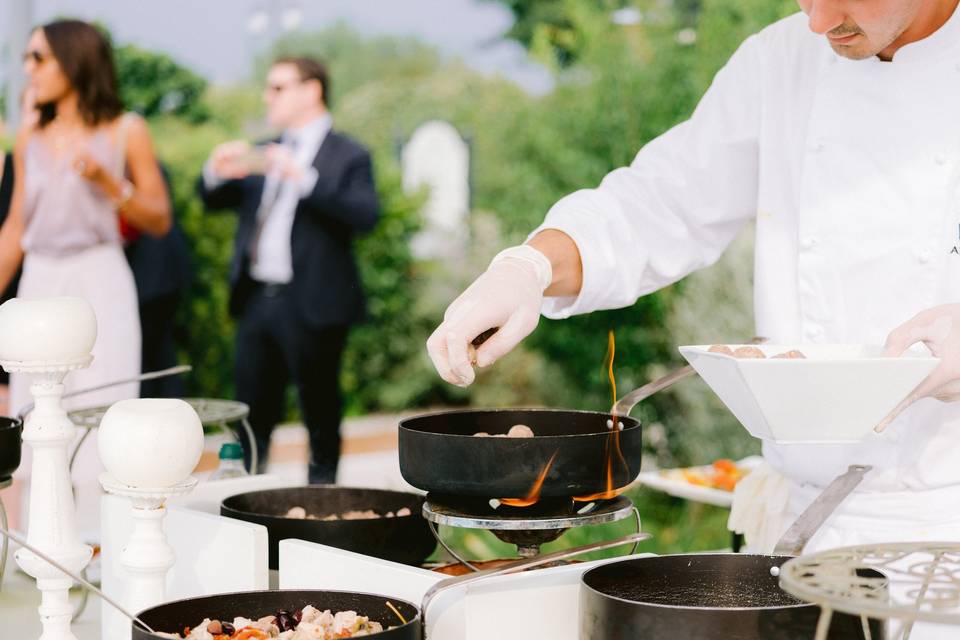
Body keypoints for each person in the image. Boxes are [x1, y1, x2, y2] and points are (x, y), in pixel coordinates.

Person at [429, 0, 960, 627]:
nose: (818, 21)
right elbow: (661, 202)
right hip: (807, 531)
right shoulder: (780, 60)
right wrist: (530, 268)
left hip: (945, 532)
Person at [0, 19, 171, 539]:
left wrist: (107, 182)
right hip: (41, 278)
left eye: (38, 57)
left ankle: (104, 548)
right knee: (37, 409)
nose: (28, 68)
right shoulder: (29, 133)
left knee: (104, 406)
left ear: (74, 61)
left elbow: (159, 217)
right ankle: (42, 545)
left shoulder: (126, 129)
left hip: (100, 275)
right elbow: (15, 226)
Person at [199, 56, 380, 483]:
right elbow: (213, 199)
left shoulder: (349, 154)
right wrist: (215, 169)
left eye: (278, 87)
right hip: (258, 297)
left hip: (314, 300)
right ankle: (245, 496)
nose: (268, 96)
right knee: (250, 410)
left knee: (319, 409)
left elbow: (365, 214)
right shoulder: (263, 150)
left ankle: (322, 504)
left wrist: (304, 178)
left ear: (312, 89)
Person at [126, 163, 192, 398]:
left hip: (151, 276)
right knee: (160, 354)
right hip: (164, 273)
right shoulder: (152, 166)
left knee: (151, 357)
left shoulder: (126, 166)